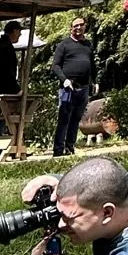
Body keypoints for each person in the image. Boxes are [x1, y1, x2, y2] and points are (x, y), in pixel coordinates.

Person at [49, 17, 97, 157]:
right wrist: (64, 80)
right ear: (71, 28)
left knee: (76, 119)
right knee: (64, 119)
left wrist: (95, 81)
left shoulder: (88, 45)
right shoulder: (64, 45)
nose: (79, 27)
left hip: (84, 87)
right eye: (76, 25)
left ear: (84, 27)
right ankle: (58, 150)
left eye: (81, 25)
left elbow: (92, 65)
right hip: (67, 88)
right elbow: (55, 66)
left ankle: (70, 147)